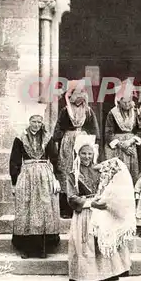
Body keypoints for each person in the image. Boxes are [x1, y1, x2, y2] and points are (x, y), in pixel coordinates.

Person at [67, 135, 133, 281]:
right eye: (83, 154)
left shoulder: (99, 170)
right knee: (85, 250)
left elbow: (110, 184)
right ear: (78, 154)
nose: (87, 157)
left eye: (89, 154)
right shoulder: (72, 174)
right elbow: (71, 197)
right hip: (84, 214)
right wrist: (90, 204)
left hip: (100, 213)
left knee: (101, 250)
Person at [9, 104, 61, 258]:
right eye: (34, 122)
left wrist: (57, 178)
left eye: (39, 122)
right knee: (28, 209)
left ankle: (43, 248)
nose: (36, 125)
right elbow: (15, 161)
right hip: (27, 175)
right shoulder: (20, 138)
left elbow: (55, 158)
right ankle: (27, 248)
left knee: (44, 210)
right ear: (29, 121)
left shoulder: (47, 137)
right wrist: (14, 181)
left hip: (44, 175)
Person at [53, 80, 100, 218]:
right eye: (76, 93)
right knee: (68, 172)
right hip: (68, 144)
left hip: (83, 143)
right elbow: (59, 128)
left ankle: (85, 204)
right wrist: (61, 139)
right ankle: (66, 209)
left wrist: (93, 143)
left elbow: (94, 129)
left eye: (82, 92)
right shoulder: (65, 110)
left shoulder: (88, 111)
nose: (80, 96)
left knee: (83, 172)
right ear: (72, 94)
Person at [104, 80, 141, 184]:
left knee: (133, 175)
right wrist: (122, 145)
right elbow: (108, 133)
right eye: (124, 102)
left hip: (132, 146)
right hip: (118, 148)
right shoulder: (112, 113)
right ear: (119, 101)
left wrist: (130, 142)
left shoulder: (136, 111)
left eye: (129, 101)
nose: (127, 104)